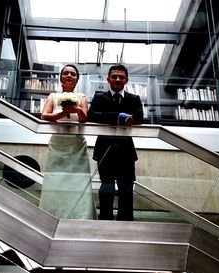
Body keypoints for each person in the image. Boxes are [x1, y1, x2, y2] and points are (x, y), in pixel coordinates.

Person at [39, 64, 96, 219]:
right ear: (61, 78)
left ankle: (81, 216)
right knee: (55, 180)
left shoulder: (82, 97)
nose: (69, 76)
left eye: (72, 74)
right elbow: (44, 116)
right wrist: (61, 114)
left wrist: (76, 110)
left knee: (79, 181)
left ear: (77, 79)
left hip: (77, 144)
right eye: (66, 73)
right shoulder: (52, 96)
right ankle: (51, 214)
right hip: (58, 143)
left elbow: (84, 118)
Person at [87, 64, 143, 221]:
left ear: (126, 80)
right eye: (114, 76)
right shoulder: (99, 97)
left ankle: (125, 226)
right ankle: (105, 223)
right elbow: (92, 116)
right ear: (108, 79)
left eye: (121, 77)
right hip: (104, 150)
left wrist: (109, 116)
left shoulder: (134, 99)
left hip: (126, 152)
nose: (117, 79)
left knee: (126, 191)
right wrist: (119, 116)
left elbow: (139, 117)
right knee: (107, 189)